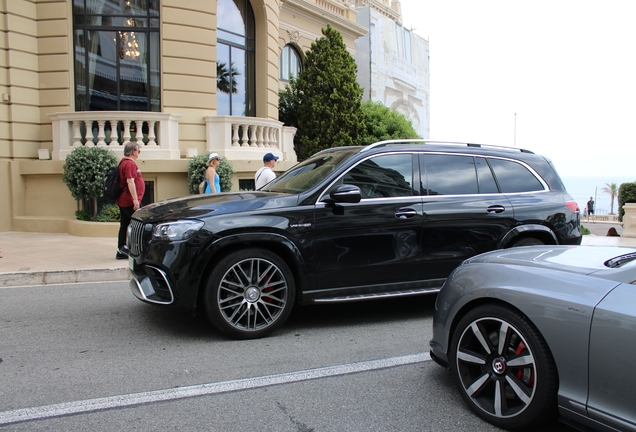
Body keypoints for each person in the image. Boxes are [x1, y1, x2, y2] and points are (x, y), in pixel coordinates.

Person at [116, 142, 145, 259]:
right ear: (133, 152)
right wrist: (135, 200)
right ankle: (138, 249)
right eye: (138, 151)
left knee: (125, 224)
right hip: (129, 200)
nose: (138, 153)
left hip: (124, 200)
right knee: (140, 223)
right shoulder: (129, 164)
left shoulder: (124, 163)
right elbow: (130, 181)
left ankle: (121, 249)